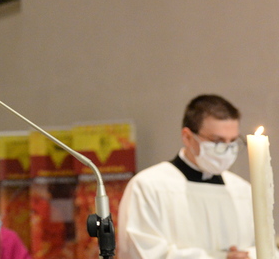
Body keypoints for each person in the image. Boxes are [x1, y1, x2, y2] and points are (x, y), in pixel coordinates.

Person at [118, 94, 278, 259]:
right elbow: (142, 251)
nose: (227, 150)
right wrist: (221, 258)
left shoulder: (243, 190)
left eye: (232, 141)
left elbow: (264, 248)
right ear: (187, 137)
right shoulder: (149, 186)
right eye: (217, 141)